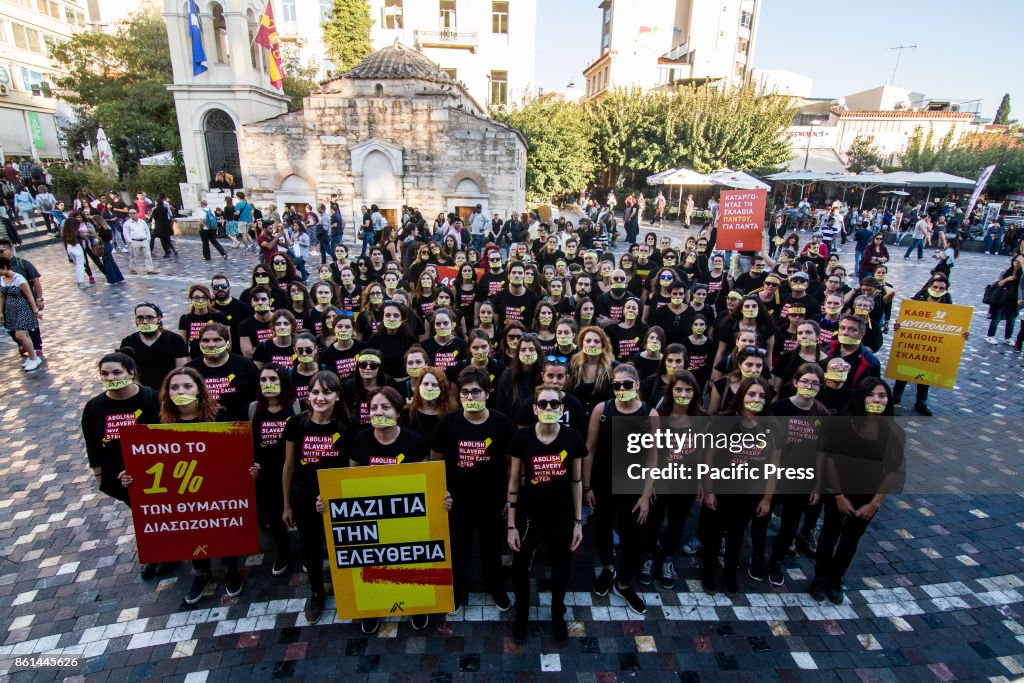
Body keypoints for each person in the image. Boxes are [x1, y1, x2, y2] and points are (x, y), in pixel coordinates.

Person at [119, 367, 255, 604]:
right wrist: (132, 476)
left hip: (217, 486)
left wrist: (249, 468)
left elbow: (236, 452)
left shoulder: (220, 415)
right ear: (167, 393)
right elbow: (148, 460)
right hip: (182, 492)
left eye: (187, 386)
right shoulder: (159, 420)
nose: (180, 391)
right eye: (175, 387)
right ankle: (201, 573)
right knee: (192, 528)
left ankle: (231, 569)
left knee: (222, 525)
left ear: (199, 390)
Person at [344, 386, 432, 633]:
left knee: (410, 560)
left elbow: (427, 480)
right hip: (371, 515)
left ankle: (416, 604)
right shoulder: (360, 440)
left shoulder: (414, 442)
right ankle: (375, 605)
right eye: (373, 408)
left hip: (408, 515)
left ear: (397, 412)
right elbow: (349, 481)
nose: (378, 412)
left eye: (385, 407)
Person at [430, 367, 515, 617]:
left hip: (492, 499)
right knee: (459, 549)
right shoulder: (448, 423)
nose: (471, 397)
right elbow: (435, 461)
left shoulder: (502, 423)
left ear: (487, 393)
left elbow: (512, 463)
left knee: (491, 548)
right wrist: (440, 493)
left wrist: (509, 498)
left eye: (476, 392)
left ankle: (495, 587)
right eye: (465, 392)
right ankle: (457, 591)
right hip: (457, 501)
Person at [811, 378, 904, 605]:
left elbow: (892, 471)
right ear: (862, 398)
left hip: (868, 495)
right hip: (838, 491)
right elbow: (830, 460)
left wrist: (874, 504)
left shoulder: (894, 432)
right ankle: (820, 578)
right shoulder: (844, 422)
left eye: (882, 396)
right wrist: (839, 495)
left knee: (851, 539)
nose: (876, 400)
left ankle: (836, 578)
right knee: (829, 534)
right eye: (871, 395)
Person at [507, 384, 585, 644]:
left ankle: (557, 613)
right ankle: (521, 613)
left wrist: (578, 521)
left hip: (561, 515)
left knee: (561, 567)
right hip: (529, 515)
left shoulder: (573, 438)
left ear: (562, 409)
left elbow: (576, 481)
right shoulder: (523, 438)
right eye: (543, 404)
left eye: (554, 404)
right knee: (520, 566)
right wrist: (511, 525)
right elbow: (514, 481)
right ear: (535, 408)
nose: (548, 408)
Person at [80, 352, 163, 577]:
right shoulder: (94, 407)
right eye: (105, 373)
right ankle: (154, 553)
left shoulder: (150, 398)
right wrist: (100, 477)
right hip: (119, 475)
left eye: (117, 372)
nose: (111, 377)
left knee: (159, 513)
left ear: (131, 372)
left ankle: (168, 553)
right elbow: (92, 445)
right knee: (141, 515)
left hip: (155, 472)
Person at [583, 364, 655, 615]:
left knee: (634, 535)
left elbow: (652, 458)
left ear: (637, 385)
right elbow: (589, 449)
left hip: (633, 485)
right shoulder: (602, 410)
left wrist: (646, 495)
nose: (622, 389)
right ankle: (607, 569)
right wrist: (587, 485)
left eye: (627, 384)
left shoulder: (649, 414)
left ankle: (624, 583)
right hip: (603, 481)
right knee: (603, 528)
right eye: (617, 385)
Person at [282, 371, 348, 624]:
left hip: (337, 497)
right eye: (315, 392)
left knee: (340, 545)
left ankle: (347, 588)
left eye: (327, 392)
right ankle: (316, 591)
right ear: (308, 395)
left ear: (337, 396)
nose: (320, 397)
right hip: (304, 495)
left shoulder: (347, 425)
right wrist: (286, 504)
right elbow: (288, 467)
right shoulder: (296, 424)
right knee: (309, 546)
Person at [186, 322, 259, 420]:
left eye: (217, 340)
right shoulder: (189, 370)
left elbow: (258, 398)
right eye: (206, 341)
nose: (211, 345)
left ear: (227, 344)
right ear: (200, 344)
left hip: (241, 425)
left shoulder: (246, 366)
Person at [120, 302, 188, 390]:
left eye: (150, 317)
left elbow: (181, 370)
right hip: (140, 391)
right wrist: (142, 391)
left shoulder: (175, 340)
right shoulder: (128, 342)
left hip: (169, 389)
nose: (145, 322)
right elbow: (126, 372)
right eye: (140, 318)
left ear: (158, 319)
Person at [0, 255, 43, 371]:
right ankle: (32, 355)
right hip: (11, 310)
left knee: (20, 335)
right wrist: (1, 311)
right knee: (24, 336)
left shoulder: (19, 279)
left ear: (4, 267)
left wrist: (35, 311)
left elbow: (29, 294)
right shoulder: (2, 279)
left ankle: (34, 358)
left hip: (23, 308)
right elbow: (2, 296)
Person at [122, 207, 156, 274]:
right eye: (130, 213)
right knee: (133, 257)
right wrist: (130, 242)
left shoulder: (142, 221)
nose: (132, 214)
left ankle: (150, 270)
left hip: (144, 240)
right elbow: (125, 233)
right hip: (134, 241)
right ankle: (132, 270)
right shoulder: (127, 223)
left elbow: (147, 230)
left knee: (148, 256)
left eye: (134, 213)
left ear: (137, 213)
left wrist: (148, 239)